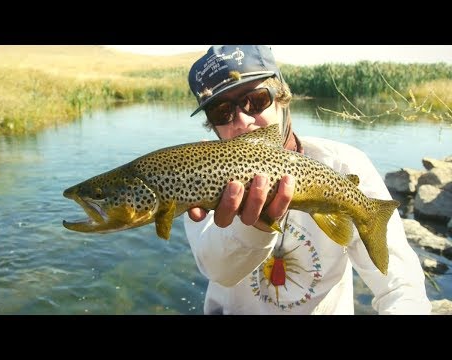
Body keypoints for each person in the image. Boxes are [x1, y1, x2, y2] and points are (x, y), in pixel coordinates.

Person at [183, 45, 431, 315]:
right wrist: (256, 227)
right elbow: (220, 272)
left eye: (255, 100)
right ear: (212, 124)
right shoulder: (201, 176)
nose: (242, 120)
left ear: (282, 97)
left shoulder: (342, 163)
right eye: (221, 112)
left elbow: (400, 284)